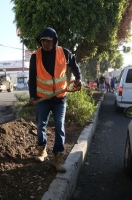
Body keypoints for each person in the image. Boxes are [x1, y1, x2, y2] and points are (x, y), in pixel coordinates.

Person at [28, 27, 81, 173]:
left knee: (59, 126)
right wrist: (32, 96)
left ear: (55, 41)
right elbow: (32, 79)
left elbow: (75, 66)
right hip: (42, 99)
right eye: (43, 41)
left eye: (49, 41)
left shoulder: (64, 53)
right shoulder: (35, 56)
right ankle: (41, 150)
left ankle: (58, 157)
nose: (45, 43)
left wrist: (78, 79)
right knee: (40, 125)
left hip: (60, 98)